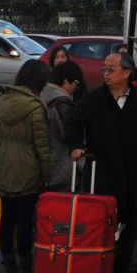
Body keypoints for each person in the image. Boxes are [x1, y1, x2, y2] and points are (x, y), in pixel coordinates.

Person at [64, 50, 137, 273]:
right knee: (100, 231)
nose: (106, 73)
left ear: (126, 73)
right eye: (104, 69)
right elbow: (73, 123)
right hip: (103, 175)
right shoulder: (93, 99)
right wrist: (75, 146)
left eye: (110, 69)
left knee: (129, 232)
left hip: (134, 176)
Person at [0, 58, 53, 273]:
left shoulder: (3, 101)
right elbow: (42, 146)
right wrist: (47, 173)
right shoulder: (35, 107)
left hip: (3, 164)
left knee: (7, 218)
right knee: (25, 220)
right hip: (27, 169)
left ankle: (9, 266)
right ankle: (26, 265)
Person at [41, 61, 81, 193]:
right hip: (59, 162)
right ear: (65, 81)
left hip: (44, 160)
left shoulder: (43, 94)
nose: (77, 87)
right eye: (76, 82)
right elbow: (68, 132)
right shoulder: (62, 100)